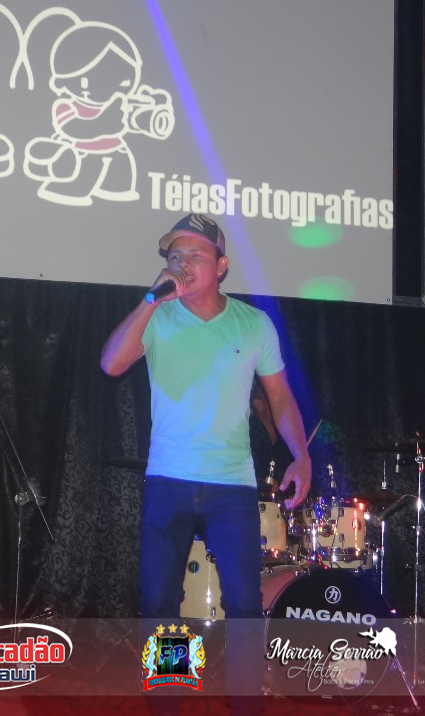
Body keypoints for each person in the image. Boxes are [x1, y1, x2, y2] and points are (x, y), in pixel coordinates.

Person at [100, 213, 312, 697]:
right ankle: (168, 703)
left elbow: (280, 397)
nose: (182, 263)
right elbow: (111, 363)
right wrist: (150, 300)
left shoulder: (253, 324)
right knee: (160, 605)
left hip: (231, 485)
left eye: (195, 255)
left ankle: (244, 704)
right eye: (175, 255)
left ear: (221, 266)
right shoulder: (158, 318)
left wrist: (301, 456)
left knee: (244, 606)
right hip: (168, 480)